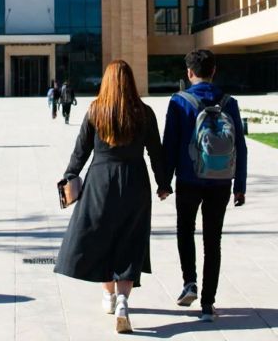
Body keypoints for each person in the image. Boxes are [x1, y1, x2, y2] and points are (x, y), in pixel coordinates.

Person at [55, 60, 171, 334]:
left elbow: (80, 151)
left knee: (101, 239)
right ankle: (122, 300)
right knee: (131, 241)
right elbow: (156, 152)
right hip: (135, 181)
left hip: (100, 182)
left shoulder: (96, 111)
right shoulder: (144, 112)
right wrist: (163, 183)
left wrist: (69, 176)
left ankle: (108, 296)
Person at [162, 49, 248, 322]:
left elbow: (170, 146)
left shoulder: (179, 102)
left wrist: (164, 182)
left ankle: (190, 282)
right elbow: (241, 147)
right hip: (221, 180)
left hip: (188, 179)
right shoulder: (229, 102)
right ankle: (208, 305)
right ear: (214, 71)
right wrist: (240, 185)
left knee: (185, 230)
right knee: (213, 240)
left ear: (189, 73)